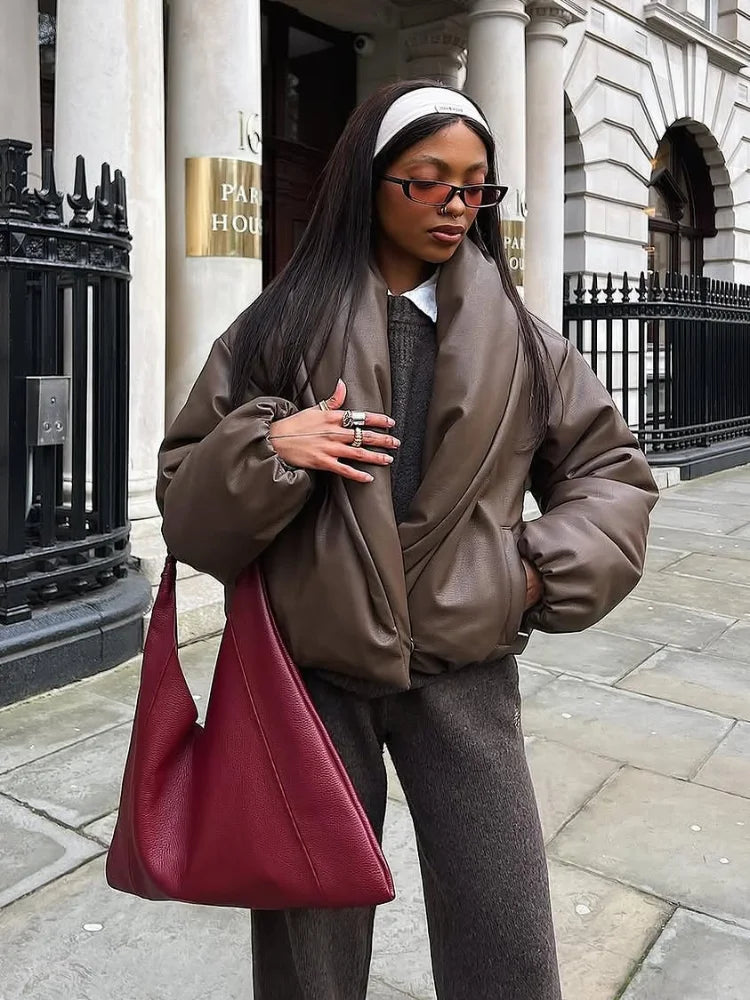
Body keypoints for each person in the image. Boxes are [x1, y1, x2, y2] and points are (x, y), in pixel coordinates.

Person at [156, 80, 658, 1000]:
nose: (455, 205)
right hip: (311, 679)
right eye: (427, 181)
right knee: (309, 943)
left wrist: (529, 576)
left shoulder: (529, 345)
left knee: (504, 927)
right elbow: (184, 503)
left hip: (465, 671)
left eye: (474, 186)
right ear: (370, 180)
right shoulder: (275, 331)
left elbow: (612, 478)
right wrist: (271, 447)